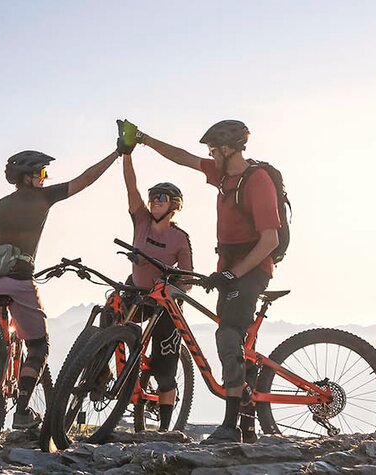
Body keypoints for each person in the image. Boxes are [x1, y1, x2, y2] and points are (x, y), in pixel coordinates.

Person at [131, 119, 282, 444]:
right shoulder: (224, 176)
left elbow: (270, 239)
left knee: (228, 336)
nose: (210, 156)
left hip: (252, 268)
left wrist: (234, 274)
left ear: (228, 149)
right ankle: (247, 414)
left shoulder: (257, 182)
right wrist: (144, 139)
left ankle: (231, 426)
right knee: (231, 336)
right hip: (228, 269)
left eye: (213, 150)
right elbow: (182, 157)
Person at [0, 148, 121, 429]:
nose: (45, 179)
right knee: (38, 347)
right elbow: (85, 180)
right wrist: (116, 155)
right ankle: (22, 412)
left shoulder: (0, 205)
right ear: (28, 178)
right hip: (19, 280)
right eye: (42, 173)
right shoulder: (43, 198)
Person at [120, 152, 195, 431]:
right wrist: (126, 155)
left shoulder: (180, 238)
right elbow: (131, 187)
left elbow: (187, 281)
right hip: (136, 294)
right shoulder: (140, 220)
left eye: (161, 198)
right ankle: (102, 370)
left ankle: (165, 428)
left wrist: (174, 286)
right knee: (108, 312)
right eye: (153, 197)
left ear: (174, 205)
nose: (153, 202)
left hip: (165, 304)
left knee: (166, 367)